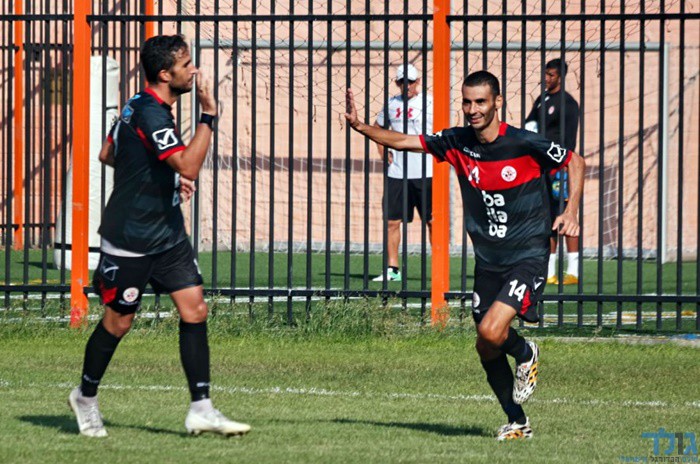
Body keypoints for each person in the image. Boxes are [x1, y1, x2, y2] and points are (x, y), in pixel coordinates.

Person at [345, 70, 585, 441]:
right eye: (467, 102)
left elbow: (575, 160)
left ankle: (526, 353)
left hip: (527, 254)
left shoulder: (522, 142)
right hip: (488, 261)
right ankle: (517, 422)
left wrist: (570, 211)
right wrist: (362, 127)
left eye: (481, 102)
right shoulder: (456, 142)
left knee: (491, 330)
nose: (472, 109)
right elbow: (405, 141)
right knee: (485, 345)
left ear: (497, 102)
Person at [67, 35, 250, 438]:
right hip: (130, 239)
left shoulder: (138, 103)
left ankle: (201, 409)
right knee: (118, 323)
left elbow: (110, 154)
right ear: (166, 74)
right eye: (186, 65)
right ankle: (85, 397)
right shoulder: (150, 113)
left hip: (167, 235)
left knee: (195, 309)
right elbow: (188, 166)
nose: (194, 70)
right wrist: (208, 115)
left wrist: (161, 180)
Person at [372, 64, 434, 282]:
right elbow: (377, 128)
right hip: (397, 173)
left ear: (418, 82)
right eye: (402, 82)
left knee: (433, 221)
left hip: (427, 172)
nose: (407, 85)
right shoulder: (391, 104)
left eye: (411, 81)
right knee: (392, 221)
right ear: (397, 83)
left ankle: (438, 269)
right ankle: (393, 270)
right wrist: (383, 150)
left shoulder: (430, 103)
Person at [525, 58, 581, 285]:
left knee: (565, 215)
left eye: (551, 75)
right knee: (547, 218)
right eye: (546, 74)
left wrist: (565, 168)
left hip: (559, 169)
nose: (547, 78)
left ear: (561, 77)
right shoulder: (542, 99)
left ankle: (573, 271)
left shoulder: (568, 104)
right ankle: (549, 272)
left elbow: (569, 142)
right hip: (542, 167)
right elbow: (529, 123)